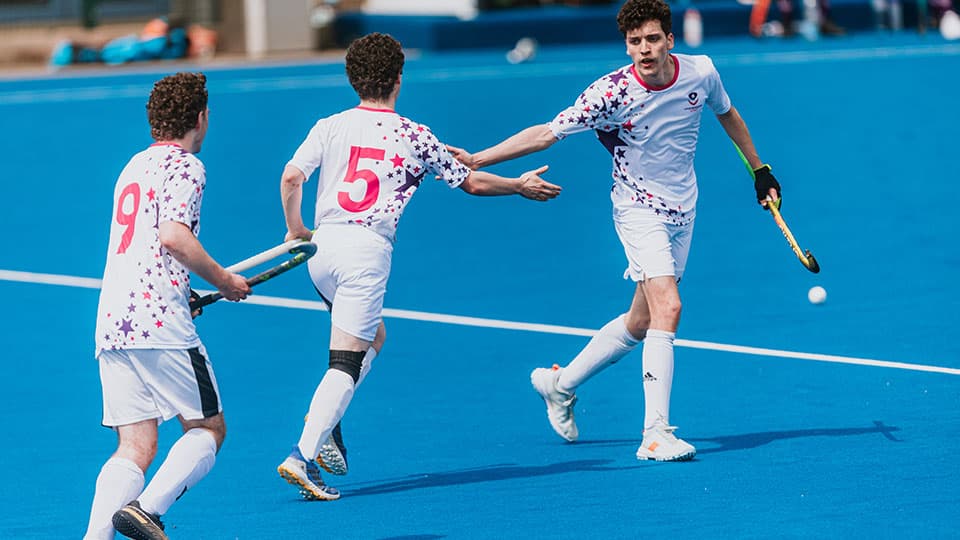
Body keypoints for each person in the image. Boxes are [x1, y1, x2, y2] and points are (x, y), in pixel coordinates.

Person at [448, 0, 782, 462]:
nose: (644, 49)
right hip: (637, 210)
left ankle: (559, 385)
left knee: (641, 321)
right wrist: (478, 158)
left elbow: (727, 114)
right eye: (634, 41)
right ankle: (655, 434)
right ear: (626, 45)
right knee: (669, 306)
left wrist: (759, 169)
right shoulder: (610, 94)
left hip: (684, 209)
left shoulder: (701, 72)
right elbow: (546, 133)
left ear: (670, 40)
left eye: (652, 39)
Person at [275, 32, 561, 501]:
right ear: (399, 79)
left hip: (321, 251)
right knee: (345, 362)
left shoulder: (329, 125)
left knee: (374, 338)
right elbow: (471, 183)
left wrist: (297, 230)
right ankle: (302, 455)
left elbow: (291, 177)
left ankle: (326, 417)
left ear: (352, 79)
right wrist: (518, 185)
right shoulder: (414, 135)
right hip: (365, 254)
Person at [84, 72, 251, 540]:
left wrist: (185, 291)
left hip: (114, 319)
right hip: (158, 320)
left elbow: (143, 246)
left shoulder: (134, 165)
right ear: (200, 117)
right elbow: (173, 236)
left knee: (135, 446)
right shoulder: (188, 166)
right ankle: (147, 510)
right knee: (208, 427)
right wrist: (223, 281)